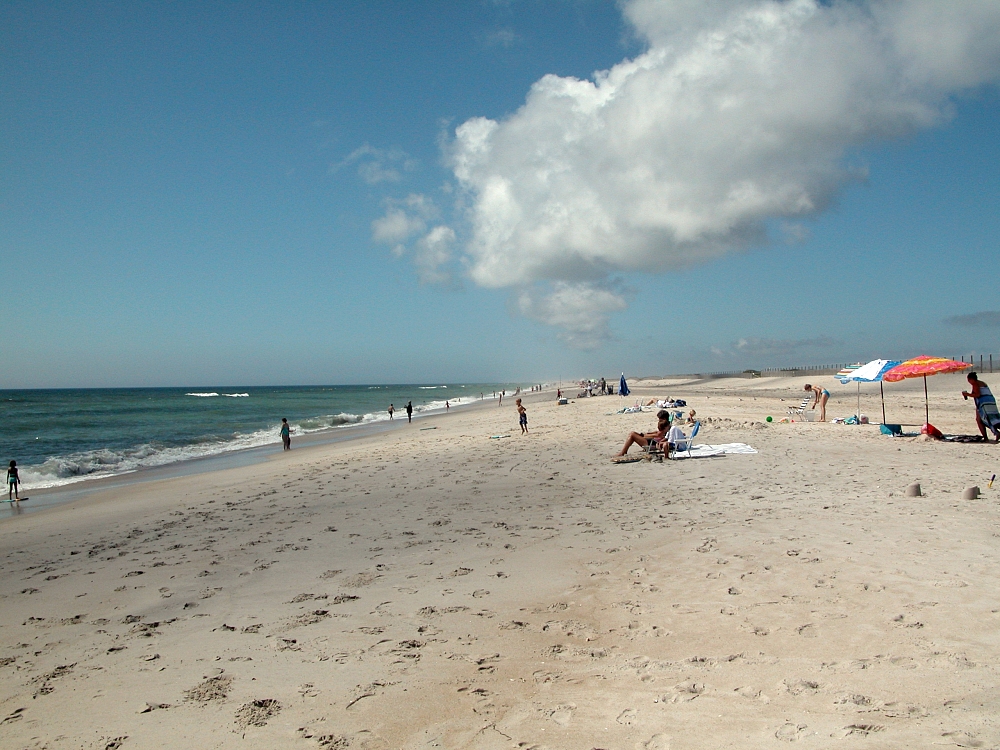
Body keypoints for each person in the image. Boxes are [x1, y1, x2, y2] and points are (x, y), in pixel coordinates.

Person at [962, 371, 1000, 442]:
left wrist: (967, 394)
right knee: (992, 418)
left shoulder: (975, 384)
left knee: (981, 420)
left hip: (984, 403)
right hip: (990, 401)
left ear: (971, 379)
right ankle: (995, 433)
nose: (968, 381)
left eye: (969, 380)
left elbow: (977, 395)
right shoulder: (981, 383)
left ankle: (988, 437)